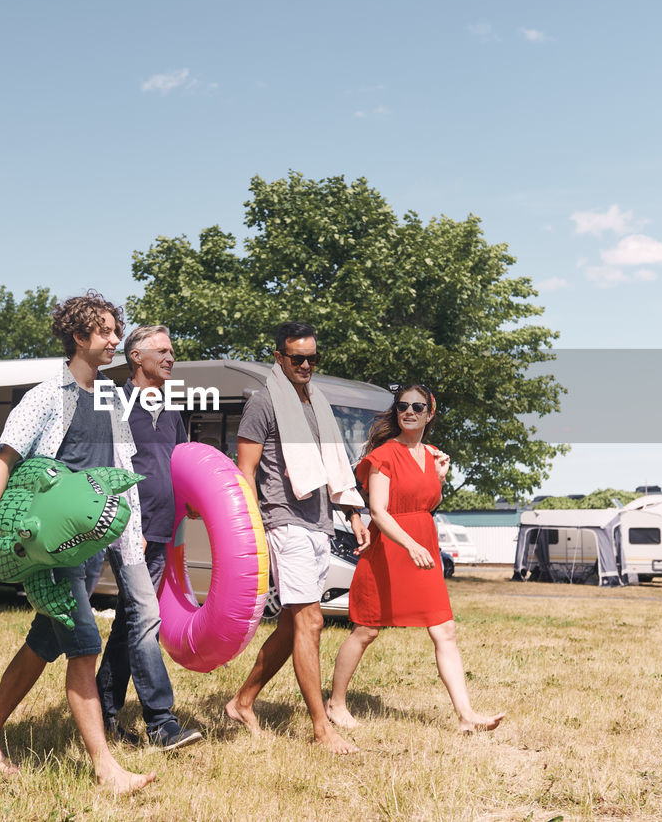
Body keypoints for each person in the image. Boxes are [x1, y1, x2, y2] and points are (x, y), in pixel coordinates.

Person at [0, 291, 155, 794]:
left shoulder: (111, 400)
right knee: (84, 646)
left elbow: (121, 471)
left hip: (87, 546)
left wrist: (128, 543)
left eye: (117, 330)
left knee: (43, 642)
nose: (116, 339)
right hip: (49, 546)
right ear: (79, 337)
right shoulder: (47, 395)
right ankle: (105, 768)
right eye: (107, 331)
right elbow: (5, 459)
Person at [223, 322, 369, 755]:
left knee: (292, 625)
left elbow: (335, 465)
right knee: (312, 621)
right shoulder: (264, 403)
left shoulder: (316, 402)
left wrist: (352, 512)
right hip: (283, 522)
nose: (306, 365)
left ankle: (242, 702)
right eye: (297, 357)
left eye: (312, 357)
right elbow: (245, 470)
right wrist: (250, 527)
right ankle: (321, 727)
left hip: (319, 520)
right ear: (280, 357)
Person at [325, 385, 505, 734]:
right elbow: (377, 510)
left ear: (430, 413)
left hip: (422, 547)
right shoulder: (384, 455)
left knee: (445, 630)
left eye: (417, 406)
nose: (409, 411)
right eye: (402, 406)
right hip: (391, 549)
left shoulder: (434, 455)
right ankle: (336, 702)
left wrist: (439, 478)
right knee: (366, 630)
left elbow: (427, 506)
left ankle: (466, 715)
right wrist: (410, 545)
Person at [95, 325, 203, 750]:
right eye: (163, 350)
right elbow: (106, 470)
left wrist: (193, 502)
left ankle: (104, 709)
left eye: (173, 349)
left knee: (130, 620)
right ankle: (160, 721)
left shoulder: (171, 409)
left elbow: (178, 463)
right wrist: (125, 527)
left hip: (163, 529)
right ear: (136, 357)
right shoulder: (114, 405)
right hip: (130, 531)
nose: (171, 357)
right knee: (145, 621)